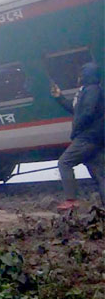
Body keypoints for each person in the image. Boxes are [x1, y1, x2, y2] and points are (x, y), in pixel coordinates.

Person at [51, 62, 105, 210]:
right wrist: (59, 97)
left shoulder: (91, 90)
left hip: (87, 137)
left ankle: (71, 200)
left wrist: (77, 129)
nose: (78, 77)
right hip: (94, 138)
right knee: (100, 174)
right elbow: (76, 110)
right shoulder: (89, 90)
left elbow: (87, 112)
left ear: (86, 75)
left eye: (81, 74)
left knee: (65, 163)